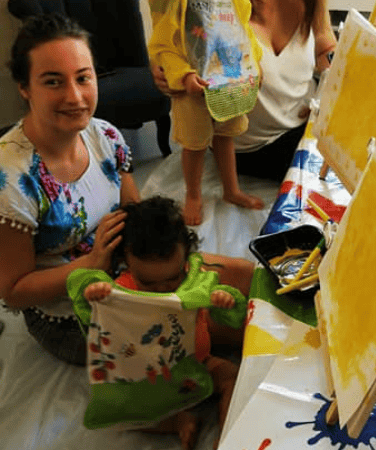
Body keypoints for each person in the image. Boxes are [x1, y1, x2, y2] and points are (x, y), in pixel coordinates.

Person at [0, 14, 254, 367]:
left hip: (128, 269)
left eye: (83, 78)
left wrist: (171, 253)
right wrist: (92, 263)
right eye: (53, 82)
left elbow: (134, 212)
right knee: (227, 324)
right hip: (70, 313)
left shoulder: (105, 136)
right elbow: (13, 291)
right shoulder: (11, 179)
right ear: (25, 87)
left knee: (245, 276)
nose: (75, 96)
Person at [79, 196, 244, 449]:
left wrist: (223, 301)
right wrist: (97, 294)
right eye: (148, 283)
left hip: (196, 362)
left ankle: (228, 440)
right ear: (126, 263)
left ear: (186, 257)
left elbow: (228, 315)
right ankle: (176, 422)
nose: (162, 289)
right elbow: (97, 316)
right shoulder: (123, 290)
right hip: (152, 379)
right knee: (127, 415)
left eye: (172, 279)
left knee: (232, 376)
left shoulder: (195, 278)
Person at [152, 0, 338, 182]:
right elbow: (170, 52)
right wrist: (169, 69)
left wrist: (328, 98)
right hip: (255, 146)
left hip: (309, 118)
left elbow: (325, 46)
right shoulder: (214, 8)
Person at [148, 0, 266, 225]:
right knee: (195, 144)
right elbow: (164, 46)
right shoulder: (175, 5)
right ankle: (193, 195)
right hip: (191, 87)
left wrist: (254, 64)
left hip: (228, 78)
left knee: (226, 135)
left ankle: (231, 190)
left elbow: (243, 29)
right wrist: (182, 75)